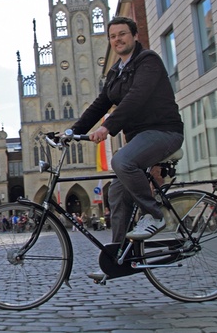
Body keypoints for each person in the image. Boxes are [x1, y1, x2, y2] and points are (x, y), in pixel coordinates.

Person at [68, 17, 184, 280]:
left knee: (121, 161)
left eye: (122, 34)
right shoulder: (116, 72)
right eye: (113, 36)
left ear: (134, 35)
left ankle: (154, 215)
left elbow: (137, 97)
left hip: (165, 131)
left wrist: (108, 127)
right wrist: (71, 132)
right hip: (141, 138)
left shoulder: (148, 61)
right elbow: (99, 104)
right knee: (118, 194)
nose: (117, 39)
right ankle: (117, 259)